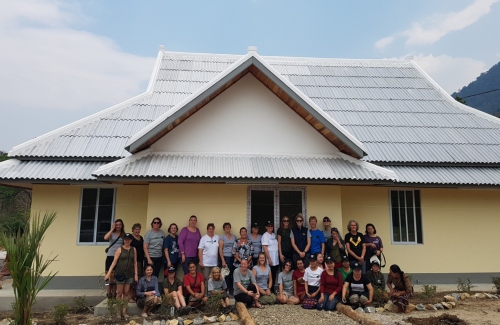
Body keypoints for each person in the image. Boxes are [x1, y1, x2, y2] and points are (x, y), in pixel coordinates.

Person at [104, 233, 139, 319]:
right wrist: (108, 274)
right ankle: (118, 312)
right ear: (124, 240)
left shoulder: (133, 249)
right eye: (125, 239)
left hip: (129, 274)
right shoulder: (119, 249)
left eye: (129, 239)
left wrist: (136, 274)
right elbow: (114, 262)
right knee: (119, 293)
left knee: (126, 292)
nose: (127, 241)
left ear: (131, 240)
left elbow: (134, 262)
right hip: (120, 273)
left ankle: (124, 311)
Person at [104, 219, 125, 298]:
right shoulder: (111, 234)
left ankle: (114, 293)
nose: (118, 226)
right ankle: (108, 293)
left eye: (120, 225)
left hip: (119, 257)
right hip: (110, 256)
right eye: (117, 225)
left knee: (116, 275)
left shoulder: (123, 235)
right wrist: (112, 229)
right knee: (108, 275)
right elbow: (105, 238)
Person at [261, 220, 279, 294]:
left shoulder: (274, 235)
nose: (270, 227)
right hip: (269, 260)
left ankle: (272, 290)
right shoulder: (265, 235)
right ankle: (267, 290)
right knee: (268, 276)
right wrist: (269, 259)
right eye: (269, 226)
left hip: (275, 259)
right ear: (266, 227)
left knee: (274, 275)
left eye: (271, 226)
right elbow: (265, 248)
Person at [219, 222, 237, 296]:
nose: (227, 228)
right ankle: (226, 290)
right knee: (227, 275)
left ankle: (232, 289)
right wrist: (223, 260)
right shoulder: (222, 237)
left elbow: (236, 247)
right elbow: (220, 249)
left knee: (233, 274)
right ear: (224, 229)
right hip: (226, 257)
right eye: (226, 227)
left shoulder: (234, 236)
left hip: (233, 257)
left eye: (228, 227)